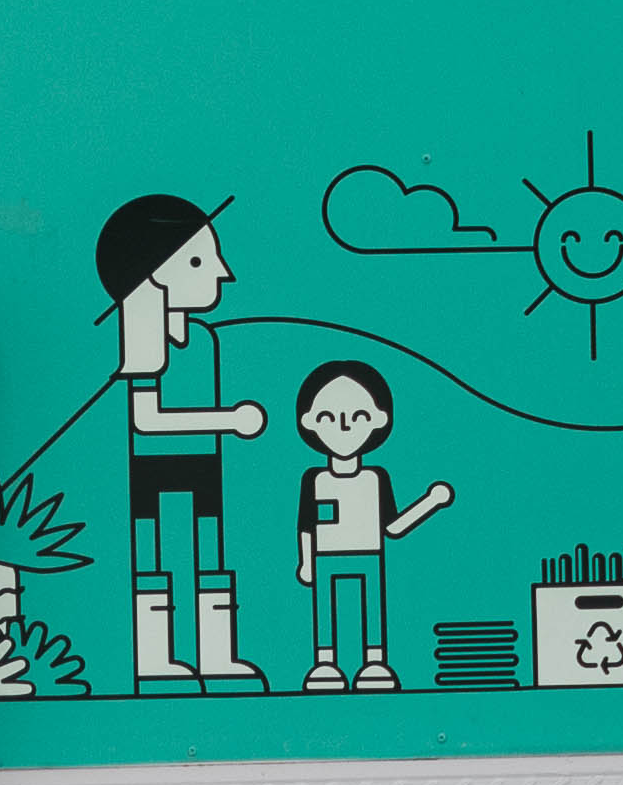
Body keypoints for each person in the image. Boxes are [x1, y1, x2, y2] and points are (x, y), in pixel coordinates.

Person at [94, 194, 263, 690]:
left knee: (209, 558)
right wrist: (227, 419)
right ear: (153, 271)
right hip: (153, 470)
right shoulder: (142, 335)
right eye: (197, 259)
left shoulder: (204, 339)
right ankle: (155, 657)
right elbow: (146, 420)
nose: (222, 273)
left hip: (203, 464)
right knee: (156, 560)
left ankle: (217, 655)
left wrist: (220, 427)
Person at [287, 360, 458, 692]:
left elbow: (393, 527)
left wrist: (430, 502)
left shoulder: (375, 478)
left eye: (358, 417)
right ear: (309, 422)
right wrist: (306, 562)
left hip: (368, 553)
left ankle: (375, 662)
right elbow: (306, 524)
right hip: (326, 556)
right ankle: (325, 663)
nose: (344, 426)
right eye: (328, 417)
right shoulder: (314, 479)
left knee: (372, 609)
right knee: (326, 611)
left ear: (379, 419)